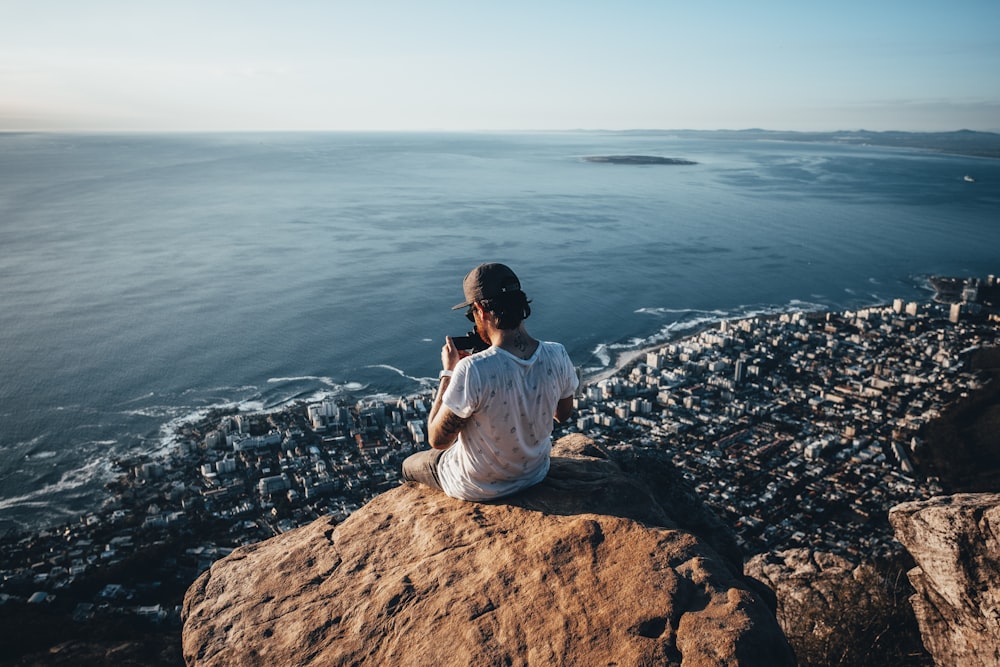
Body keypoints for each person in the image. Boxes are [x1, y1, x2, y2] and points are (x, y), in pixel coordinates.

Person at [402, 263, 578, 501]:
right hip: (535, 474)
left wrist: (449, 373)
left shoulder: (472, 369)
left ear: (480, 310)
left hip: (478, 486)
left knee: (408, 465)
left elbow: (437, 440)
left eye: (471, 315)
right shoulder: (557, 354)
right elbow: (563, 415)